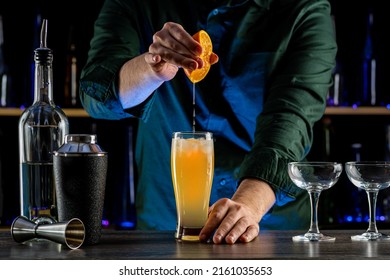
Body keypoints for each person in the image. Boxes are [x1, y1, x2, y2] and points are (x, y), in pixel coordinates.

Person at [79, 0, 337, 244]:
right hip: (167, 227)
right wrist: (151, 69)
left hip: (269, 228)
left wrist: (248, 206)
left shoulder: (304, 9)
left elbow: (290, 119)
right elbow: (97, 96)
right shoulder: (138, 4)